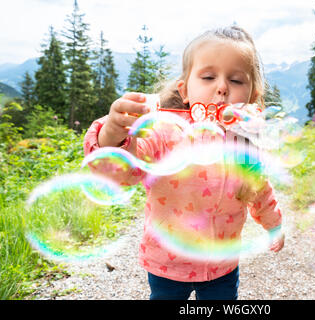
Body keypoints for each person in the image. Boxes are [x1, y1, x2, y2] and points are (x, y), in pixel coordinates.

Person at [83, 25, 284, 300]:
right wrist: (113, 134)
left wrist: (274, 225)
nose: (222, 88)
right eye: (209, 77)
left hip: (222, 266)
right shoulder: (165, 133)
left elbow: (259, 191)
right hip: (167, 263)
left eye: (236, 81)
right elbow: (126, 170)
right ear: (185, 90)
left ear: (251, 96)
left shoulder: (242, 145)